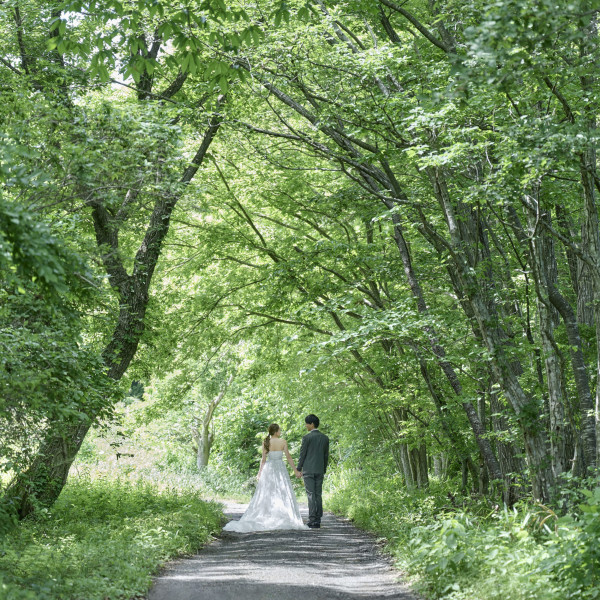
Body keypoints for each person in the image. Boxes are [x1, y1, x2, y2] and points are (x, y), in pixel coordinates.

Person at [223, 423, 308, 532]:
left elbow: (263, 460)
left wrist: (259, 473)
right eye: (279, 430)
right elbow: (289, 458)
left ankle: (268, 515)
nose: (280, 432)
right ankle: (281, 515)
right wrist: (295, 470)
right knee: (282, 491)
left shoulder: (266, 442)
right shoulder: (283, 442)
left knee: (267, 492)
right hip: (280, 469)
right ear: (276, 431)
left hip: (269, 468)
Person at [295, 414, 329, 529]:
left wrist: (298, 469)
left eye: (307, 424)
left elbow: (302, 455)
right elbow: (326, 456)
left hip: (309, 470)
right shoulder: (325, 438)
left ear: (312, 424)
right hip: (320, 469)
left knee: (311, 494)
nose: (306, 426)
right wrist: (324, 469)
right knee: (318, 494)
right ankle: (318, 519)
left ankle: (312, 519)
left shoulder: (306, 438)